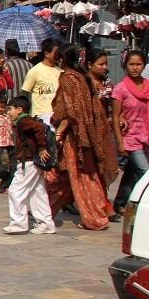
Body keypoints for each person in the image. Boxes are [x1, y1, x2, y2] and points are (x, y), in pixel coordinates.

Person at [47, 46, 116, 231]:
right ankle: (44, 213)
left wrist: (59, 132)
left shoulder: (69, 78)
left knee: (82, 177)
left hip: (75, 136)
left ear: (61, 60)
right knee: (63, 178)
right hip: (87, 132)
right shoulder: (82, 77)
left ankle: (95, 218)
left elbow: (71, 111)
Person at [4, 95, 57, 235]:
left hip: (27, 162)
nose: (8, 112)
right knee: (37, 193)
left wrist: (42, 148)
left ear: (19, 110)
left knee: (16, 191)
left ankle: (18, 223)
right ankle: (46, 224)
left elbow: (39, 129)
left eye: (10, 109)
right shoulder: (25, 121)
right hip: (32, 162)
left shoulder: (24, 122)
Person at [115, 51, 149, 219]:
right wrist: (120, 143)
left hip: (146, 136)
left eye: (138, 64)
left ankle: (120, 202)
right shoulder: (120, 88)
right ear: (125, 66)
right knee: (145, 171)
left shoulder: (148, 85)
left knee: (131, 173)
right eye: (131, 64)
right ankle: (139, 205)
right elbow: (115, 116)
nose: (135, 68)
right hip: (130, 138)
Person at [22, 37, 63, 123]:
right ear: (47, 54)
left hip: (56, 116)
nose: (59, 56)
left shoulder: (61, 71)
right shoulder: (35, 71)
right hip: (40, 117)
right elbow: (24, 93)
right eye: (56, 53)